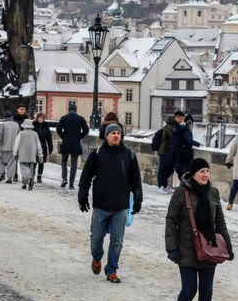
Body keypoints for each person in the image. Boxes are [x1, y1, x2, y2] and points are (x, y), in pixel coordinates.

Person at [165, 157, 233, 301]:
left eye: (207, 171)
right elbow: (171, 220)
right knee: (189, 290)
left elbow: (219, 222)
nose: (204, 175)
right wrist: (171, 248)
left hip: (209, 249)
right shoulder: (181, 192)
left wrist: (228, 246)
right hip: (186, 248)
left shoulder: (213, 193)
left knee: (207, 292)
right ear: (193, 174)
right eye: (201, 171)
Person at [77, 123, 143, 284]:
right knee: (96, 239)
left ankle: (112, 270)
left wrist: (138, 199)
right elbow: (86, 176)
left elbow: (136, 181)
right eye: (112, 133)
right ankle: (97, 257)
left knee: (117, 241)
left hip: (120, 206)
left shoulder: (129, 156)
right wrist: (82, 194)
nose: (116, 136)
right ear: (106, 136)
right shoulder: (97, 154)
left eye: (118, 133)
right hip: (101, 204)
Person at [56, 102, 88, 189]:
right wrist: (79, 137)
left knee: (64, 161)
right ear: (76, 110)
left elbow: (58, 129)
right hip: (76, 143)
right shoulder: (80, 119)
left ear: (68, 110)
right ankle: (71, 184)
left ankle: (64, 178)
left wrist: (64, 137)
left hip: (66, 143)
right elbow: (86, 130)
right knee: (74, 164)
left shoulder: (64, 118)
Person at [0, 106, 24, 184]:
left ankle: (2, 174)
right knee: (12, 163)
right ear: (11, 117)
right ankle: (10, 178)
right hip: (13, 148)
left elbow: (0, 135)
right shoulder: (16, 125)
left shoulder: (3, 124)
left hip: (4, 147)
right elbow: (19, 136)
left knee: (1, 161)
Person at [13, 118, 43, 190]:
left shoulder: (21, 133)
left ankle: (29, 180)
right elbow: (39, 145)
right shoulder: (35, 134)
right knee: (30, 170)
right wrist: (40, 155)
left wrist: (15, 152)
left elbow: (16, 144)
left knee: (24, 169)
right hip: (32, 155)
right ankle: (26, 183)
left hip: (22, 154)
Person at [156, 111, 181, 193]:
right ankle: (161, 186)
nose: (181, 120)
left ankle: (165, 185)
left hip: (168, 151)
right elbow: (174, 137)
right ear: (176, 118)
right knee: (162, 169)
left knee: (169, 169)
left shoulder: (174, 126)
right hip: (164, 150)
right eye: (180, 118)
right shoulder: (170, 126)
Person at [170, 114, 201, 179]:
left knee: (181, 172)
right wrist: (199, 144)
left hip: (178, 153)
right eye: (191, 123)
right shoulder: (185, 130)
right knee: (186, 172)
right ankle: (184, 187)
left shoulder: (178, 129)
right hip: (185, 153)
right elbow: (189, 140)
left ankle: (182, 186)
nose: (191, 125)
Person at [32, 112, 54, 184]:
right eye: (39, 118)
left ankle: (39, 178)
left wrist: (50, 148)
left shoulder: (46, 126)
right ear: (37, 118)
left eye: (42, 118)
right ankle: (32, 177)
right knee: (34, 163)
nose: (40, 119)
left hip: (43, 147)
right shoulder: (33, 125)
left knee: (41, 163)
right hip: (34, 146)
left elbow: (49, 138)